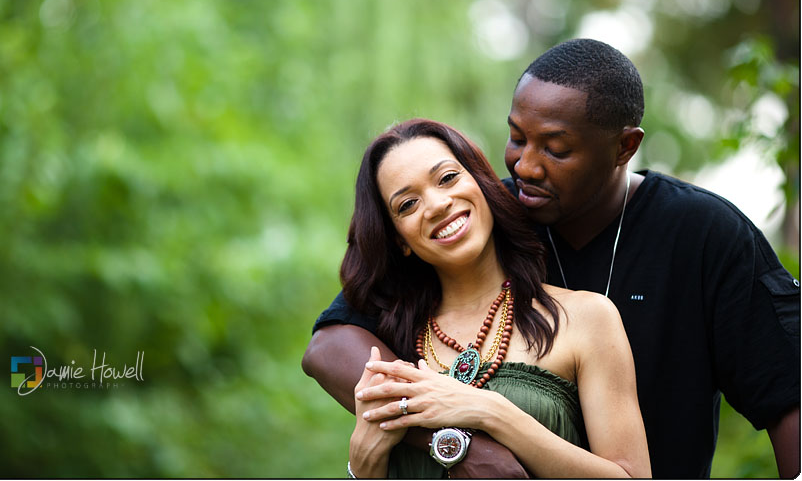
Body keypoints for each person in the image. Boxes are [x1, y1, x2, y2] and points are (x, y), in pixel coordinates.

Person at [303, 39, 801, 478]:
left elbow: (789, 395)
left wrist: (487, 419)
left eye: (555, 148)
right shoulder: (480, 217)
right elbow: (329, 346)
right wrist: (452, 440)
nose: (524, 165)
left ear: (624, 147)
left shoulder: (702, 234)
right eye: (517, 137)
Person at [341, 118, 650, 478]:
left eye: (447, 178)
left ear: (481, 183)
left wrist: (491, 411)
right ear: (399, 240)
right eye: (408, 204)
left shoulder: (585, 318)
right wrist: (363, 464)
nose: (438, 204)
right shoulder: (391, 344)